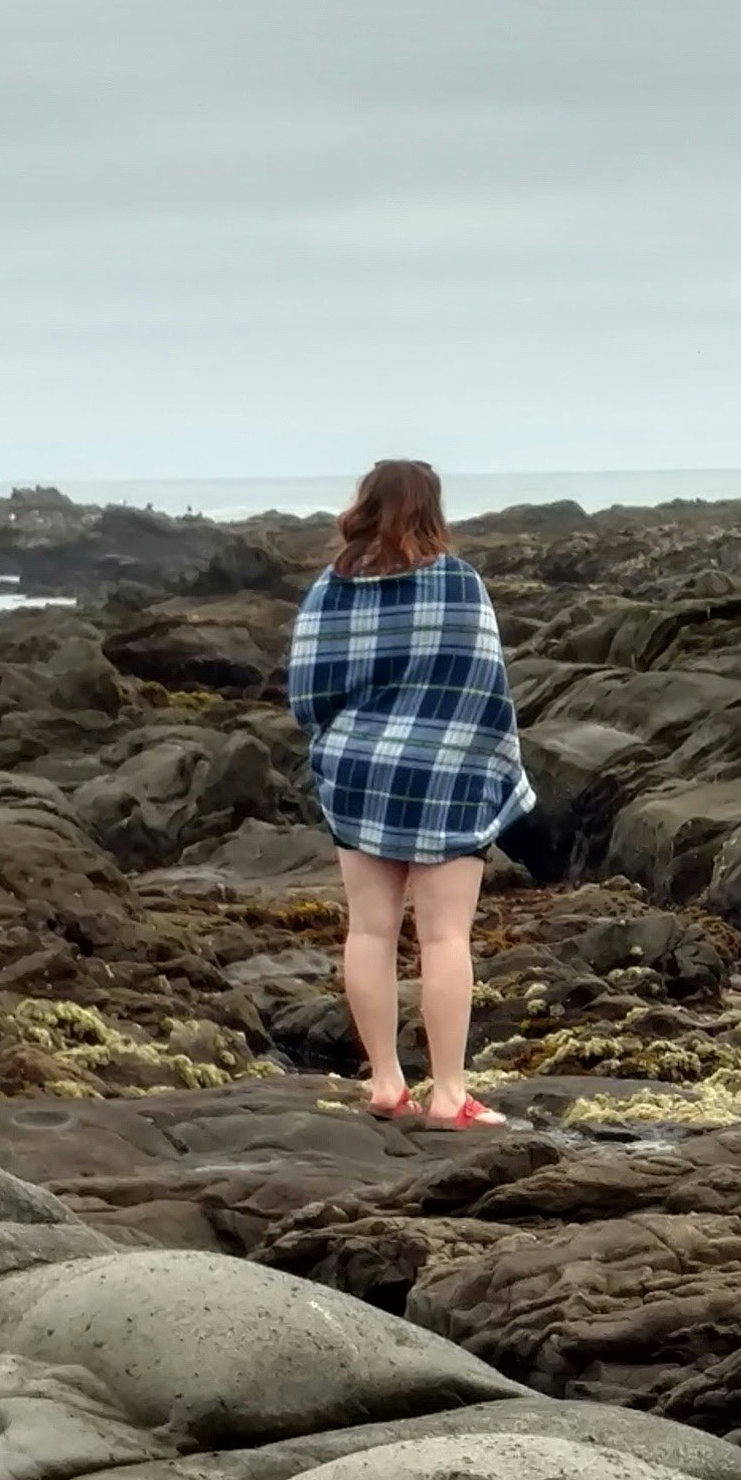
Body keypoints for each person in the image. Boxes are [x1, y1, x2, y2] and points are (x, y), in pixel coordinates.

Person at [285, 458, 534, 1125]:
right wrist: (490, 763)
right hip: (446, 774)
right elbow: (485, 684)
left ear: (366, 504)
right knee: (445, 938)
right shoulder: (458, 582)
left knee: (368, 930)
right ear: (432, 509)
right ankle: (449, 1094)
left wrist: (348, 739)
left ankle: (387, 1085)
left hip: (360, 773)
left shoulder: (328, 590)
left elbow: (306, 695)